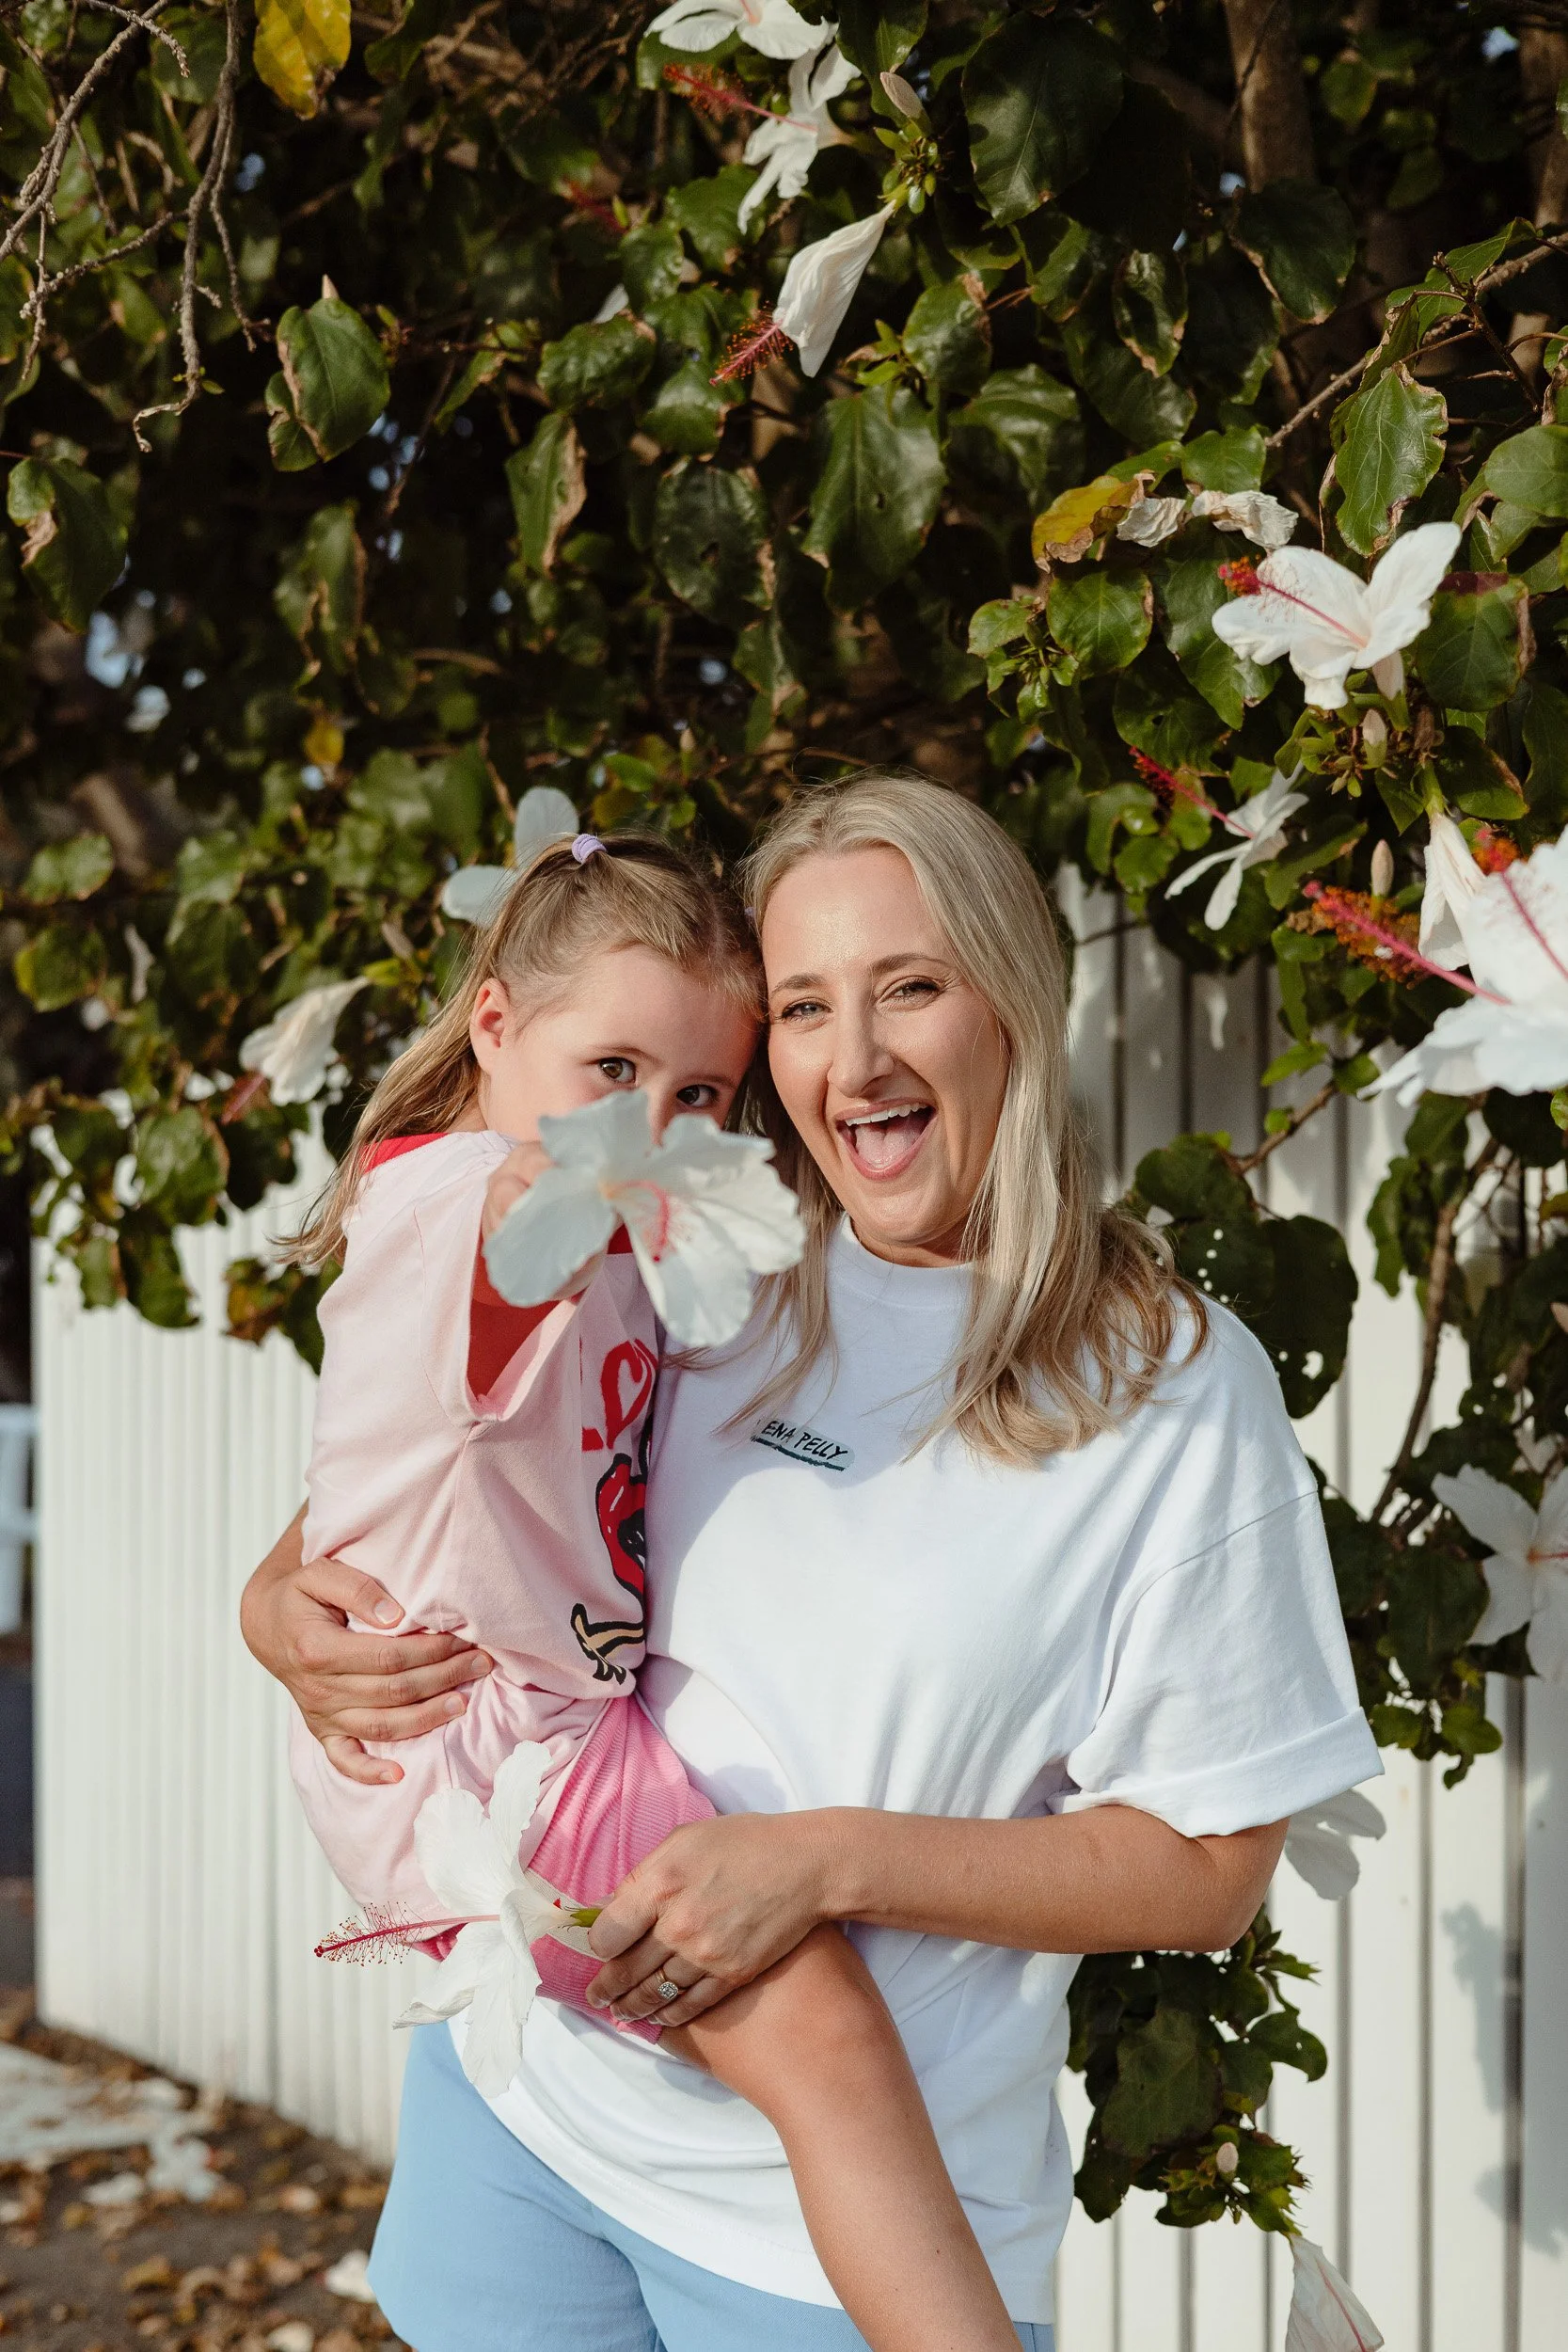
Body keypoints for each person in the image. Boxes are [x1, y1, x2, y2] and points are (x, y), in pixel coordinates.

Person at [244, 774, 1382, 2352]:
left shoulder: (1170, 1388)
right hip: (525, 2121)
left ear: (1014, 999)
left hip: (820, 2256)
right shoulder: (711, 1248)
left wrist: (824, 1863)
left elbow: (1206, 1874)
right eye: (800, 1007)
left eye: (909, 986)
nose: (853, 1062)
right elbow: (454, 1468)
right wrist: (276, 1604)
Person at [279, 826, 1026, 2352]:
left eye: (698, 1095)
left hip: (535, 1724)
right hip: (488, 1750)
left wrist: (265, 1594)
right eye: (610, 1070)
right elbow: (494, 1248)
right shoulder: (466, 1202)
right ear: (494, 1026)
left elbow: (398, 1468)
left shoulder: (620, 1214)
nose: (657, 1125)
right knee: (816, 2030)